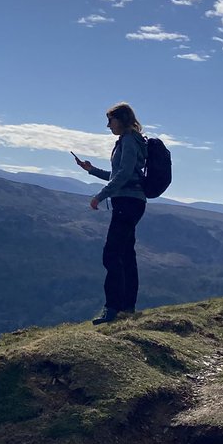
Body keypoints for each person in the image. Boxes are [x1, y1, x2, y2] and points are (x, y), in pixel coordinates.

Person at [73, 102, 148, 324]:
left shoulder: (127, 140)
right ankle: (127, 308)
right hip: (132, 201)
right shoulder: (133, 140)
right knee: (126, 255)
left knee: (112, 254)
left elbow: (123, 175)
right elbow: (120, 174)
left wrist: (100, 196)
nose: (108, 125)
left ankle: (113, 308)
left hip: (126, 202)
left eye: (110, 120)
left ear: (122, 119)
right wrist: (92, 170)